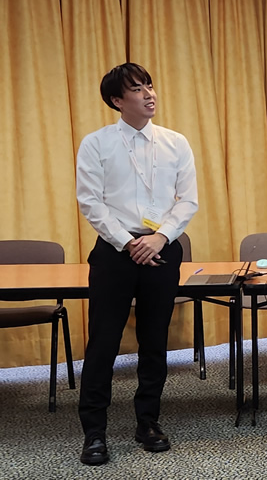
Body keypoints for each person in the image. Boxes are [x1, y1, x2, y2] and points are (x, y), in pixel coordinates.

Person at [75, 63, 199, 466]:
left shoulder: (175, 142)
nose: (149, 94)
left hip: (162, 249)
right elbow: (90, 202)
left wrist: (160, 237)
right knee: (104, 341)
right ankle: (94, 431)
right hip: (115, 251)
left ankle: (148, 422)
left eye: (149, 85)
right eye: (137, 89)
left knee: (154, 339)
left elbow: (188, 200)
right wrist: (128, 243)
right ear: (117, 100)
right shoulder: (96, 143)